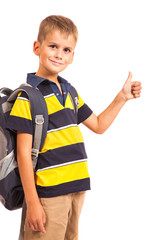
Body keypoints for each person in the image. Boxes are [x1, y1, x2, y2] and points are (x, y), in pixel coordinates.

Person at [6, 15, 142, 240]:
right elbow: (23, 153)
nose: (59, 54)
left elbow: (98, 125)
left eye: (67, 50)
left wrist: (122, 97)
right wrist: (32, 202)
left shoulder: (70, 93)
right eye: (53, 46)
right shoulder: (28, 97)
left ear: (73, 56)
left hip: (77, 188)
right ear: (37, 47)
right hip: (49, 193)